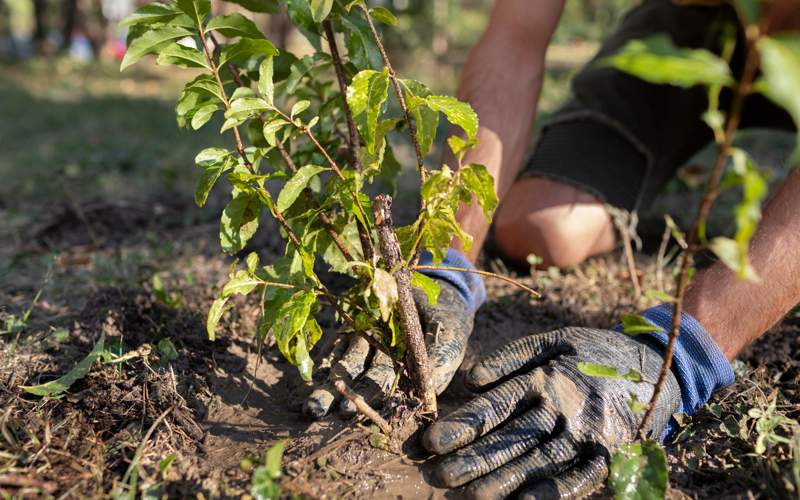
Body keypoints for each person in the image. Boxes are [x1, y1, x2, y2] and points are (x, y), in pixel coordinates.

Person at [305, 1, 800, 498]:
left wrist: (685, 353)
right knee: (541, 229)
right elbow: (514, 39)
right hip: (690, 36)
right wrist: (446, 256)